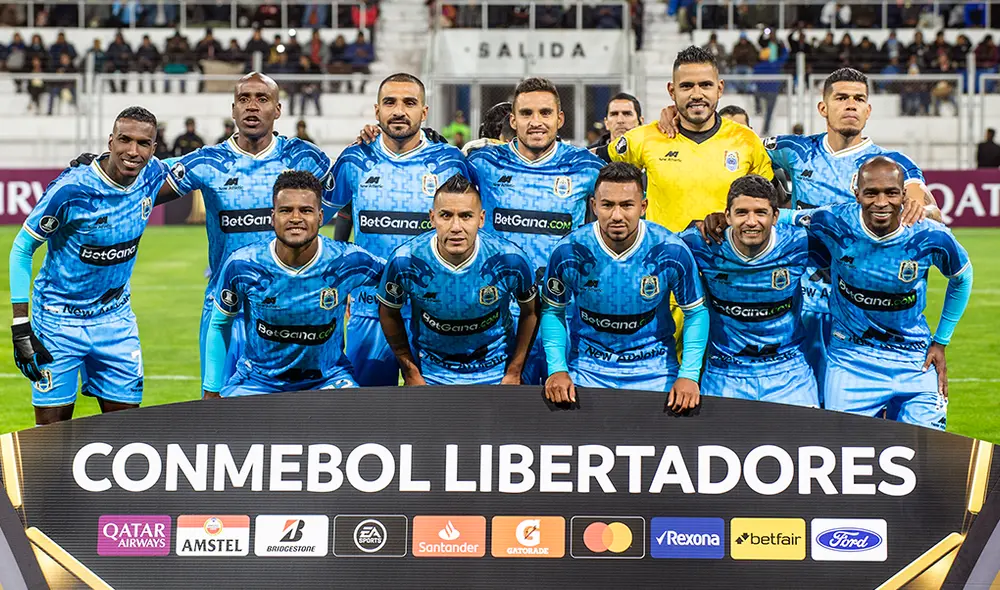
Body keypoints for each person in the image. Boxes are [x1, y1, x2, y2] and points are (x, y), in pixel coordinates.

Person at [697, 67, 939, 404]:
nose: (850, 105)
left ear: (869, 110)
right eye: (841, 98)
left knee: (850, 411)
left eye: (859, 99)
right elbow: (734, 143)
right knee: (805, 409)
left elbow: (923, 201)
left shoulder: (889, 164)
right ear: (823, 107)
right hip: (803, 302)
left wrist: (921, 206)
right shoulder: (794, 151)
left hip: (857, 310)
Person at [783, 156, 972, 430]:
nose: (881, 202)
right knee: (845, 452)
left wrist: (941, 341)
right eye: (871, 193)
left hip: (914, 359)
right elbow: (781, 217)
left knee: (931, 452)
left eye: (891, 193)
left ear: (903, 195)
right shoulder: (833, 220)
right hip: (852, 359)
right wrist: (718, 218)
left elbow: (962, 278)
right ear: (856, 193)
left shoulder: (929, 235)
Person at [9, 107, 169, 424]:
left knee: (125, 433)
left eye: (143, 143)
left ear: (154, 148)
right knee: (51, 434)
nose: (132, 151)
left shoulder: (153, 175)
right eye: (124, 140)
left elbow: (202, 168)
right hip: (58, 321)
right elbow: (22, 247)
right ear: (110, 141)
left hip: (115, 320)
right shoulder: (71, 190)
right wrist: (20, 326)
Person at [329, 73, 468, 386]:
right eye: (390, 102)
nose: (399, 111)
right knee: (367, 412)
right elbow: (313, 220)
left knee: (437, 415)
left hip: (432, 313)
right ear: (377, 110)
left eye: (409, 103)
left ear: (424, 112)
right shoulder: (354, 159)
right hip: (369, 311)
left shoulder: (450, 163)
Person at [466, 77, 605, 384]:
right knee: (501, 418)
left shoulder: (586, 167)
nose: (536, 122)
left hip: (562, 314)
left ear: (560, 118)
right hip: (498, 316)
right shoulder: (483, 162)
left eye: (545, 113)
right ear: (512, 120)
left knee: (562, 414)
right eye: (527, 114)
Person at [540, 162, 707, 411]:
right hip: (588, 371)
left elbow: (696, 313)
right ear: (594, 205)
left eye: (627, 205)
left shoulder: (670, 250)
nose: (617, 215)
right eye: (607, 205)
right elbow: (552, 312)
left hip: (655, 372)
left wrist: (689, 375)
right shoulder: (569, 251)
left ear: (643, 207)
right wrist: (557, 369)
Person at [203, 171, 382, 397]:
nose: (295, 218)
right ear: (272, 216)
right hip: (256, 381)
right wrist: (211, 391)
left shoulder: (348, 261)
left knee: (353, 428)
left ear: (320, 216)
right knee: (231, 431)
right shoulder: (243, 264)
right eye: (286, 210)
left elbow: (402, 277)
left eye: (306, 210)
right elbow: (220, 325)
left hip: (328, 379)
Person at [378, 175, 539, 385]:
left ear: (481, 219)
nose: (456, 227)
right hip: (432, 375)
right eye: (446, 215)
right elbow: (388, 312)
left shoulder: (510, 259)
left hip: (496, 373)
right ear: (432, 217)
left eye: (466, 216)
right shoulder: (406, 261)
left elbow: (532, 312)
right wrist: (410, 373)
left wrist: (514, 371)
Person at [681, 175, 818, 407]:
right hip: (724, 374)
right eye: (742, 212)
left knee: (807, 441)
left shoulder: (799, 242)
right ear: (727, 216)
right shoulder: (701, 243)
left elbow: (846, 222)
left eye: (761, 213)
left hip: (790, 374)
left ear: (775, 216)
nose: (751, 221)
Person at [613, 46, 773, 233]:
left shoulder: (746, 140)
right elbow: (591, 161)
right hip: (665, 258)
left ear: (719, 88)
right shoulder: (645, 137)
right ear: (672, 91)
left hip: (726, 259)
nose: (697, 94)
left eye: (705, 85)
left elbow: (769, 204)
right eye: (686, 86)